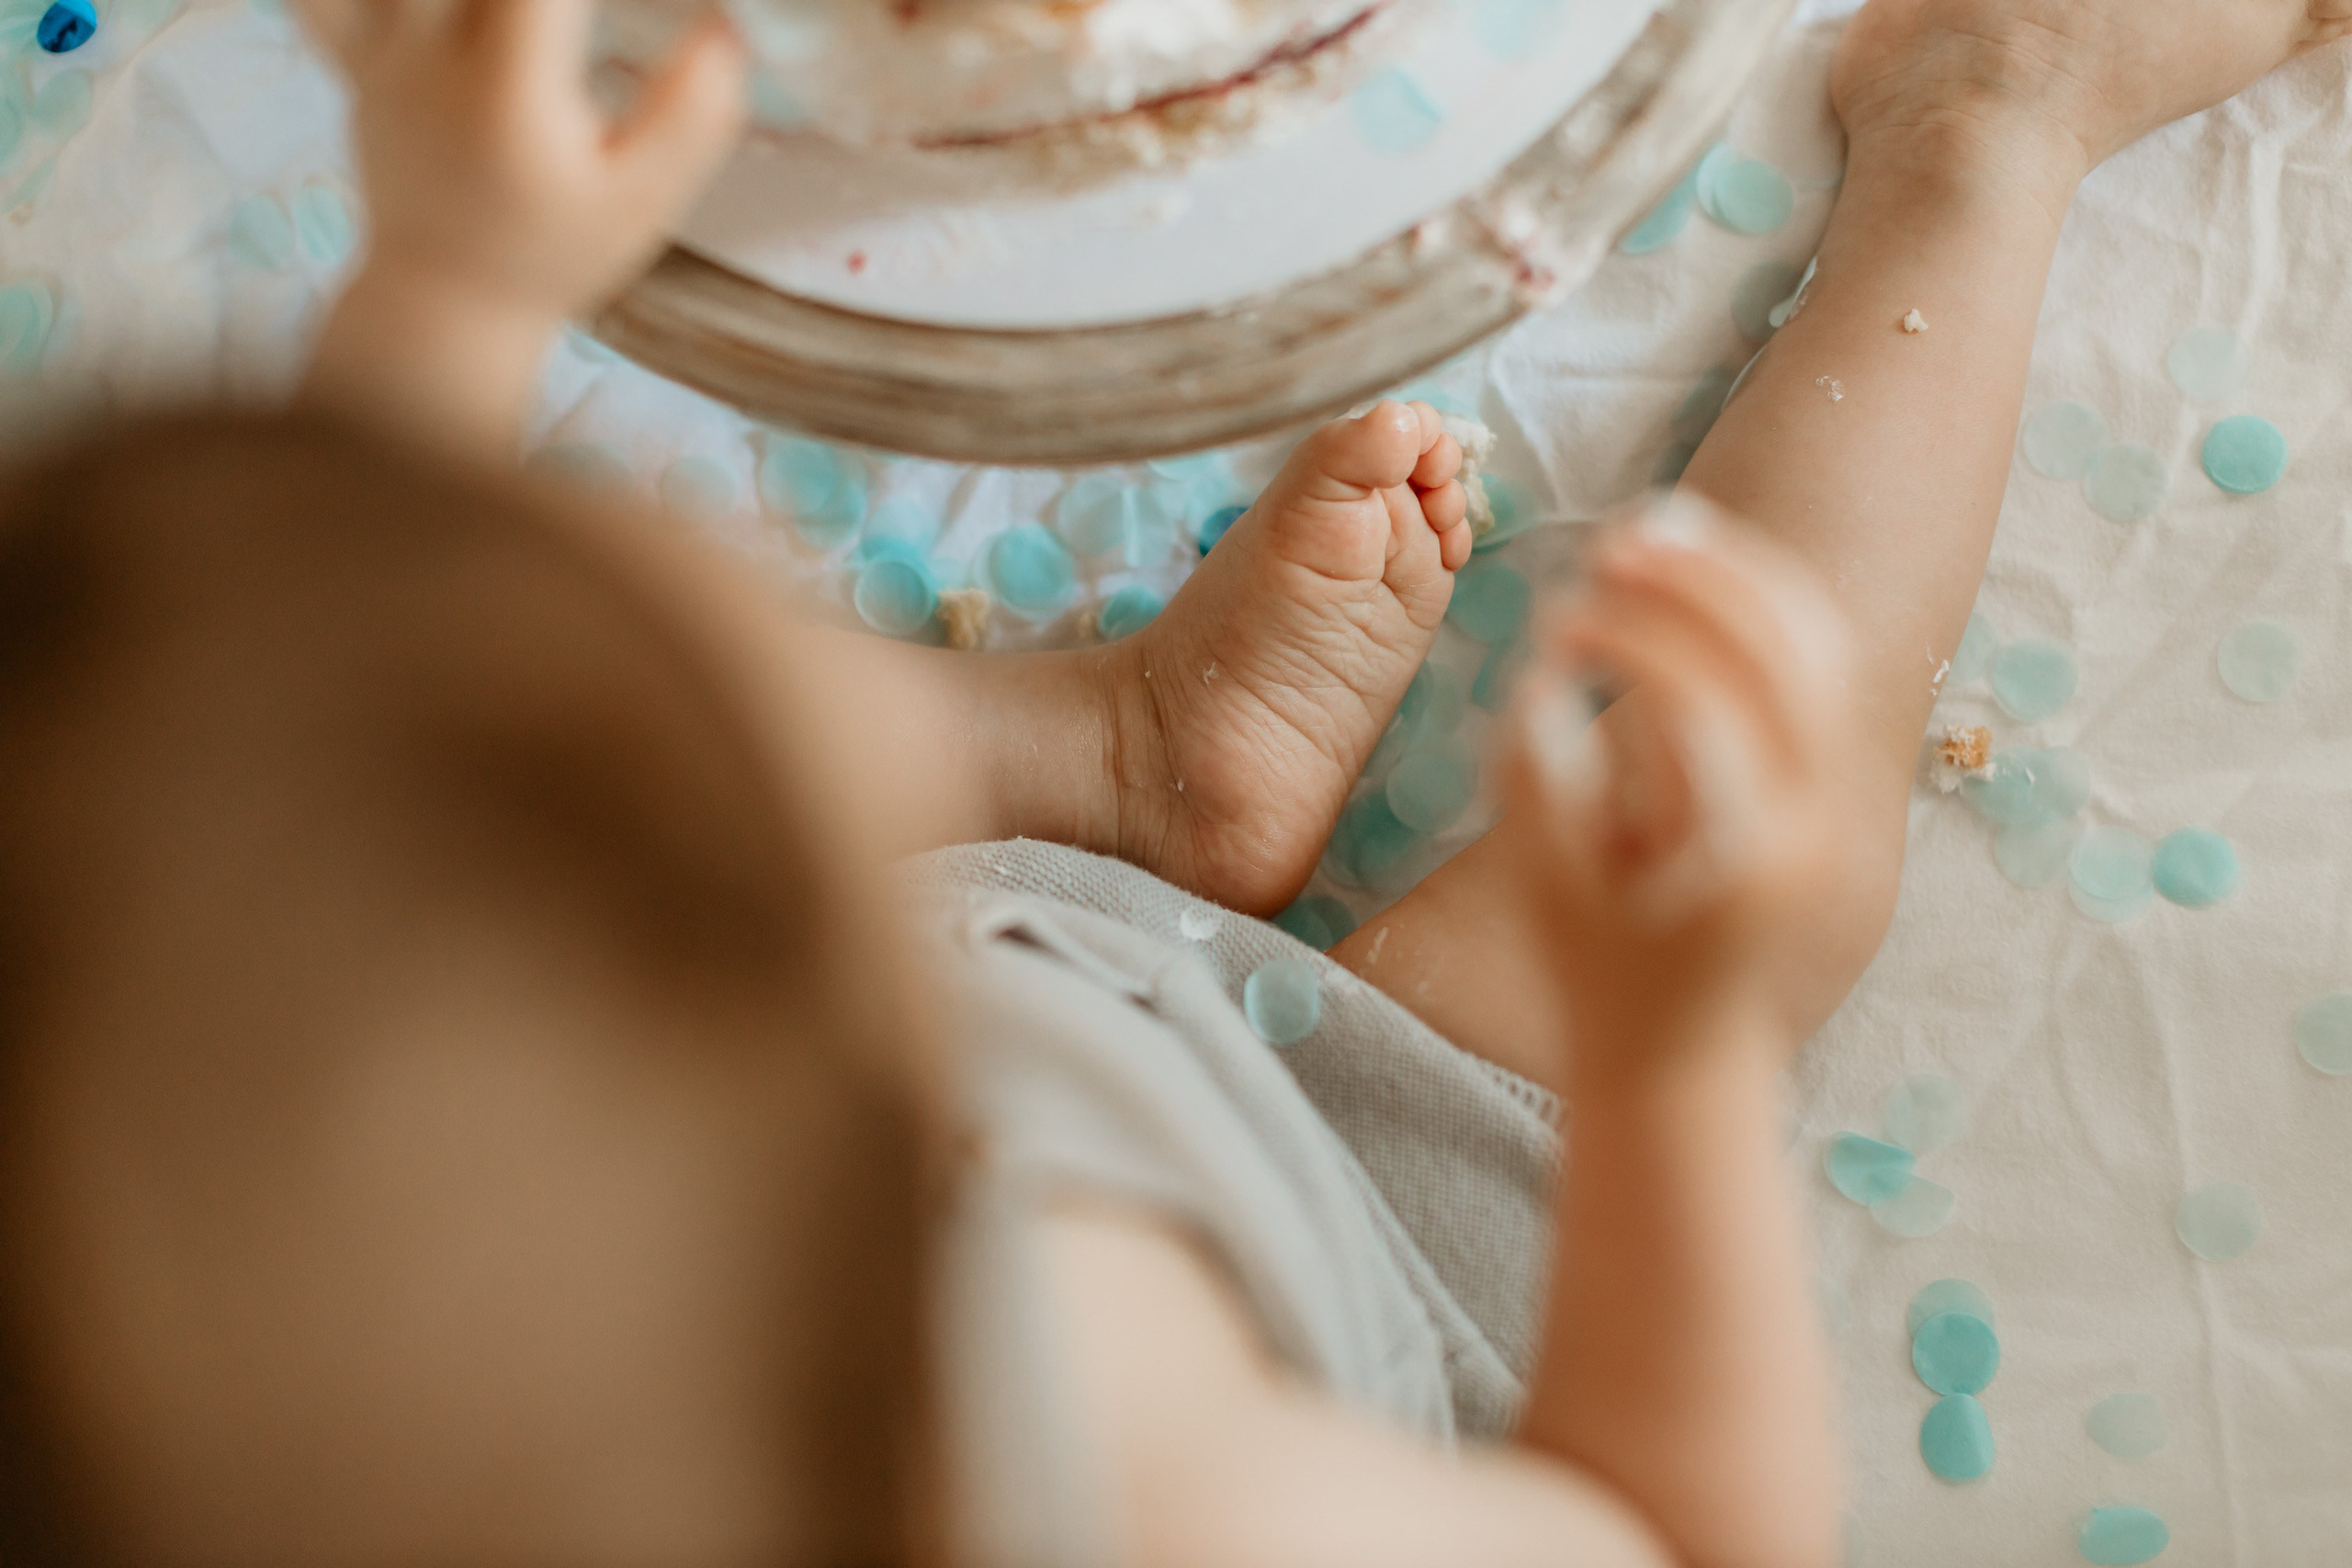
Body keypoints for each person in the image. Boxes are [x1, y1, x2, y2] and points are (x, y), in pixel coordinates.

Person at [2, 0, 2338, 1562]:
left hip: (969, 1010)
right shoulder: (1121, 1462)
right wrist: (1661, 1062)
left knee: (411, 712)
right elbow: (1665, 1530)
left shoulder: (179, 1153)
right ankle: (1988, 120)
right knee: (1710, 826)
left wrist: (454, 275)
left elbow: (317, 750)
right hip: (1339, 1191)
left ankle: (1126, 764)